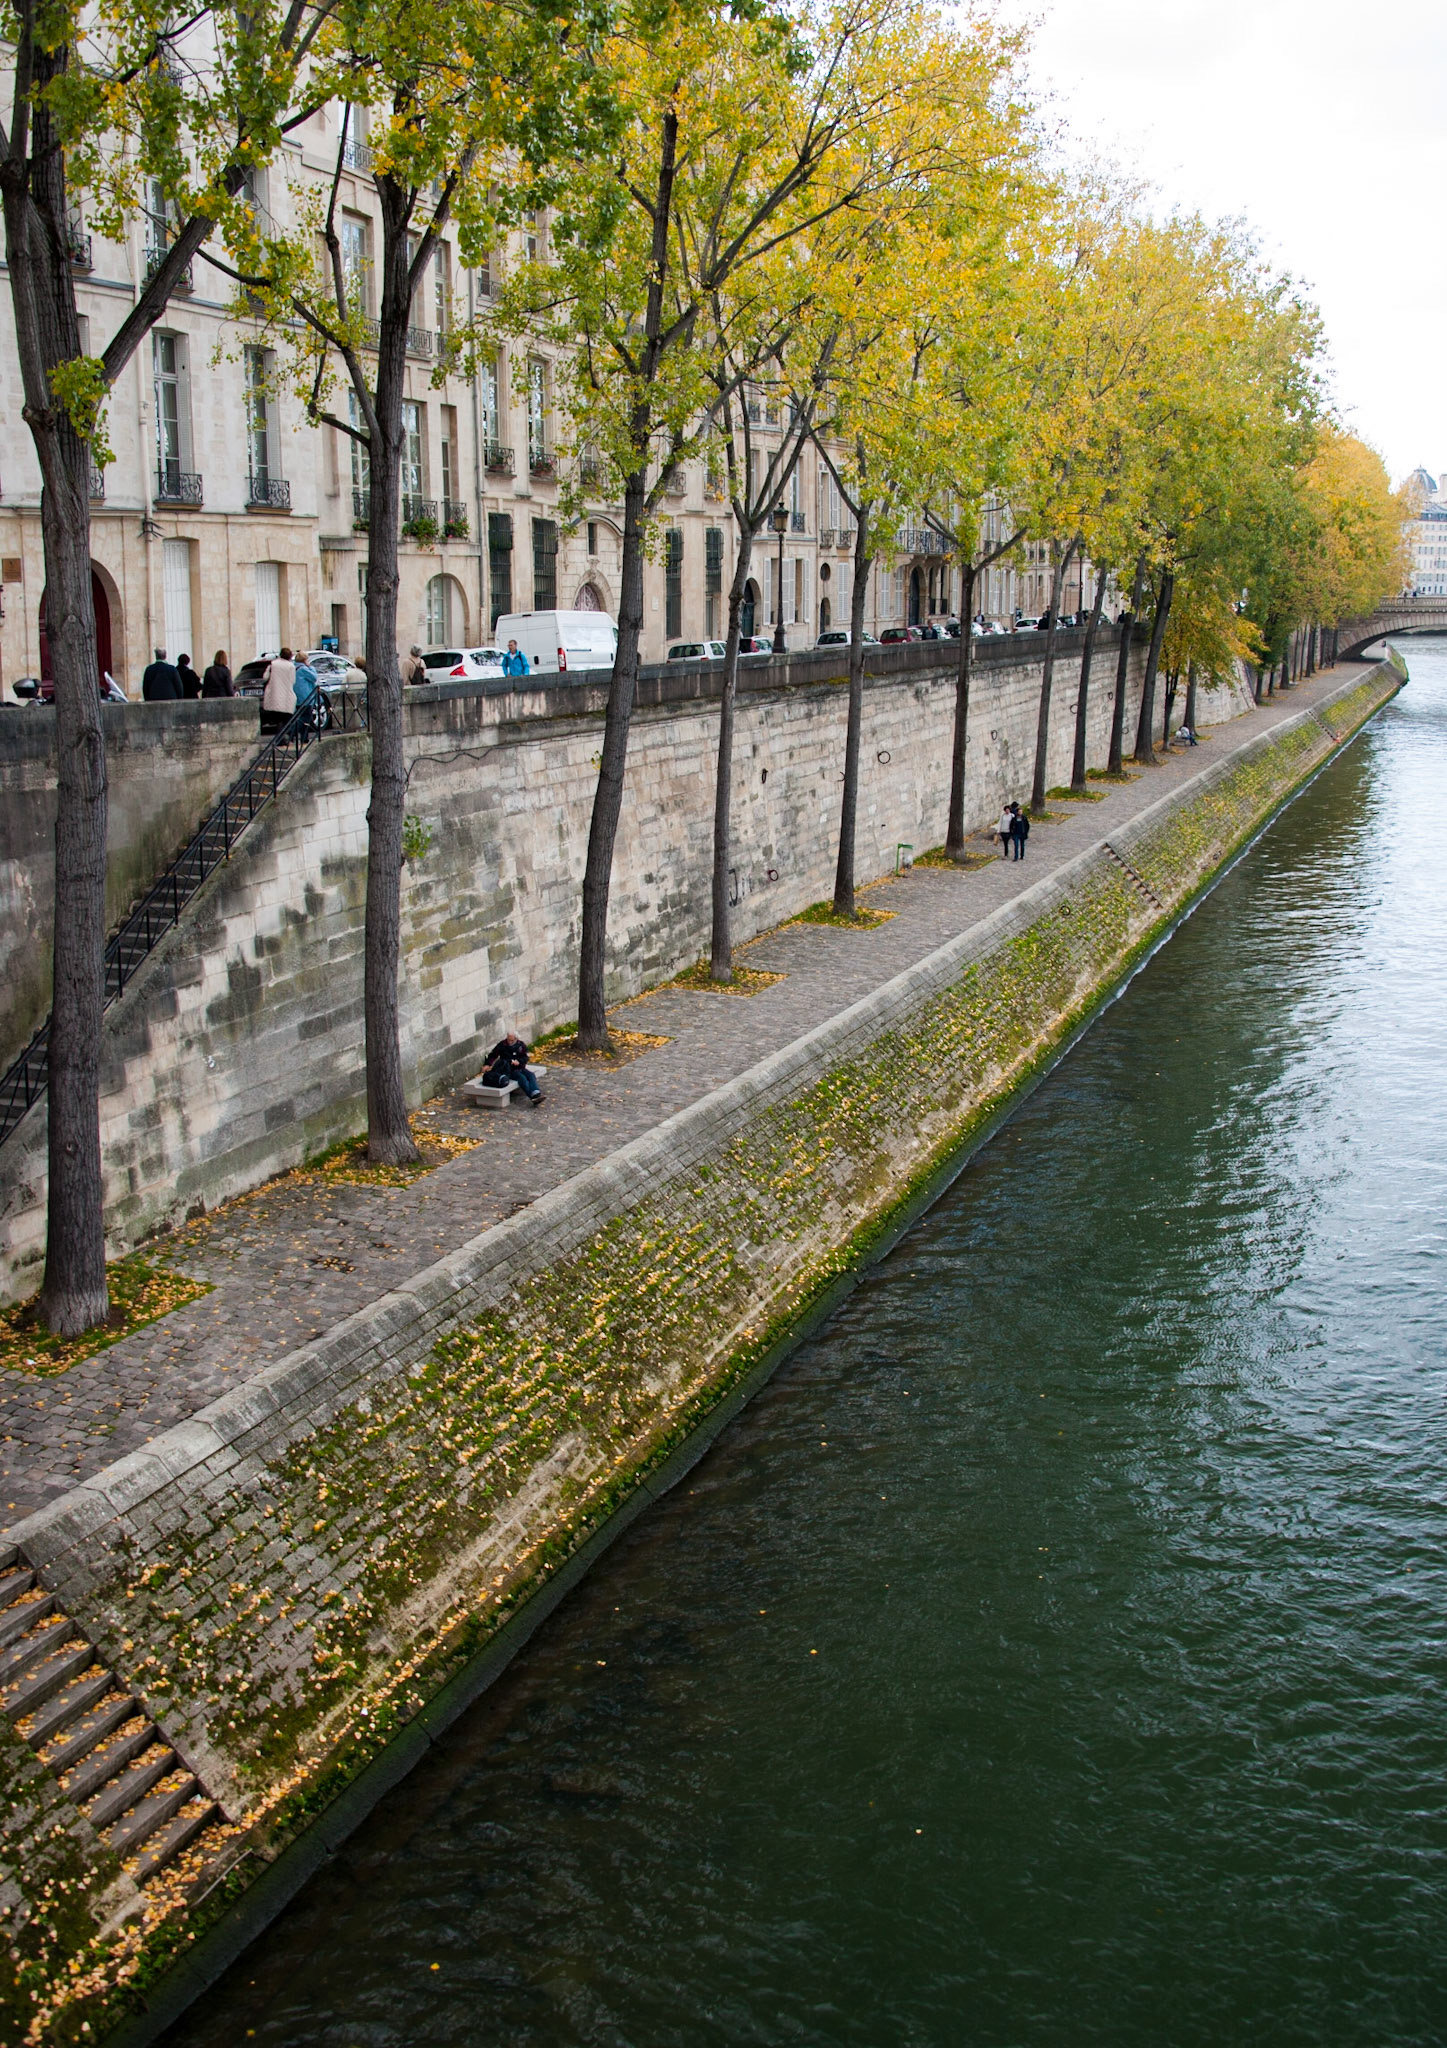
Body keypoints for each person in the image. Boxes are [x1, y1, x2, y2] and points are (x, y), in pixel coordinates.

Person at [481, 1029, 544, 1105]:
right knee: (522, 1079)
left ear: (516, 1039)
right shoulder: (502, 1045)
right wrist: (487, 1064)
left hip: (520, 1067)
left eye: (511, 1040)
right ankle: (532, 1097)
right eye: (508, 1039)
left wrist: (519, 1062)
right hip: (509, 1069)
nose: (509, 1042)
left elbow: (525, 1057)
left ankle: (536, 1092)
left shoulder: (521, 1045)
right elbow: (493, 1055)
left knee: (531, 1075)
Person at [260, 646, 297, 734]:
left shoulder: (273, 664)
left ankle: (280, 739)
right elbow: (293, 681)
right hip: (286, 696)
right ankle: (282, 739)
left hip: (274, 695)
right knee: (285, 719)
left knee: (278, 719)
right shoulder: (291, 666)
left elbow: (265, 677)